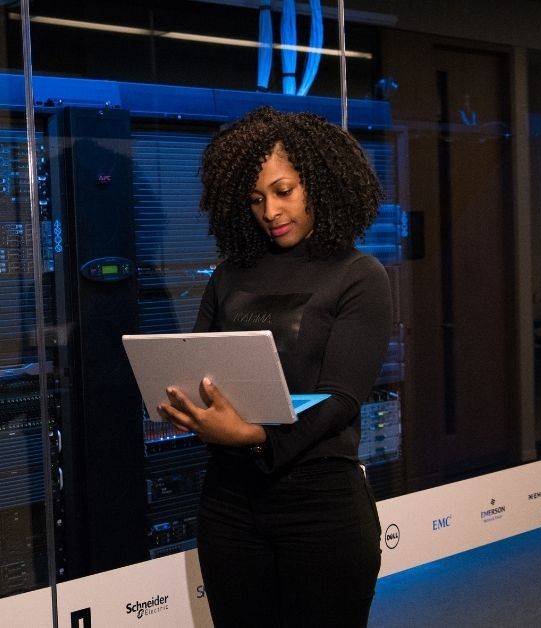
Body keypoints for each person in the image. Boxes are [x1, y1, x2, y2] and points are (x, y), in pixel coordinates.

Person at [156, 106, 392, 627]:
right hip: (229, 505)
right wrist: (188, 407)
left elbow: (341, 398)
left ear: (321, 184)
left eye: (284, 191)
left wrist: (255, 435)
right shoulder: (228, 276)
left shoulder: (359, 275)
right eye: (256, 199)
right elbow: (200, 368)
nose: (270, 211)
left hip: (322, 505)